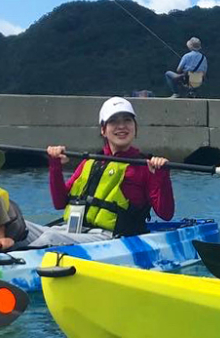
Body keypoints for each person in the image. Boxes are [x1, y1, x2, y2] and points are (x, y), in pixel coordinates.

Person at [32, 96, 174, 247]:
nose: (121, 126)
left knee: (50, 238)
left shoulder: (145, 166)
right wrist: (55, 165)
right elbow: (60, 203)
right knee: (18, 227)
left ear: (135, 127)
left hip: (111, 238)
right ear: (103, 130)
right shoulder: (90, 161)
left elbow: (166, 214)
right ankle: (10, 257)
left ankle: (16, 263)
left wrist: (162, 175)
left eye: (127, 120)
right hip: (75, 231)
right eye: (114, 121)